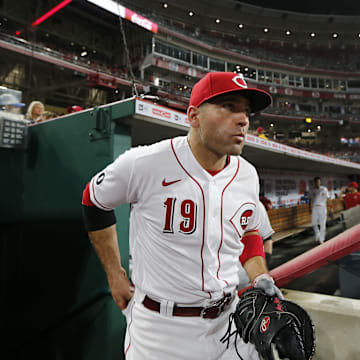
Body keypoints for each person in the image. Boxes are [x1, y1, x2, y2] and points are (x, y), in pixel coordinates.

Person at [82, 72, 283, 360]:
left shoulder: (247, 174)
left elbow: (250, 230)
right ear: (193, 116)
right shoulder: (145, 162)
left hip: (229, 322)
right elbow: (93, 199)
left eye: (247, 112)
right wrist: (114, 275)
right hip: (160, 330)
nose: (243, 120)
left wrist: (259, 275)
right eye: (229, 106)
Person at [309, 176, 330, 244]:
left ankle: (321, 239)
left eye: (318, 182)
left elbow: (328, 199)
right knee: (313, 223)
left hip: (322, 207)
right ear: (314, 183)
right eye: (316, 182)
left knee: (322, 224)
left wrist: (330, 208)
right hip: (315, 207)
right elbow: (310, 200)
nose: (317, 183)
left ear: (320, 182)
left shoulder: (324, 189)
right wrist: (309, 208)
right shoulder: (312, 190)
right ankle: (317, 235)